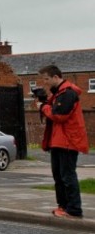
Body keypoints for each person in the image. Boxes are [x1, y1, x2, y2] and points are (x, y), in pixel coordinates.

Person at [36, 65, 89, 219]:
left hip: (67, 141)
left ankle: (74, 209)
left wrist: (43, 107)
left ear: (56, 77)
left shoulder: (68, 93)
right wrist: (45, 105)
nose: (44, 82)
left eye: (46, 79)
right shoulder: (59, 93)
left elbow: (59, 115)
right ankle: (63, 206)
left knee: (67, 176)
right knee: (58, 176)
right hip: (58, 140)